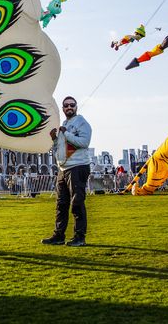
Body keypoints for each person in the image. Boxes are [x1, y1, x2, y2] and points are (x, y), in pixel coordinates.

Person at [42, 96, 92, 247]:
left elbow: (84, 142)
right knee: (61, 203)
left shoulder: (81, 122)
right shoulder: (64, 124)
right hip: (64, 168)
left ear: (76, 107)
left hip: (77, 166)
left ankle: (79, 237)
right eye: (66, 105)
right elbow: (62, 147)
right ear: (63, 109)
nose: (69, 107)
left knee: (77, 202)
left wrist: (67, 134)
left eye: (72, 105)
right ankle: (59, 235)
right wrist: (55, 139)